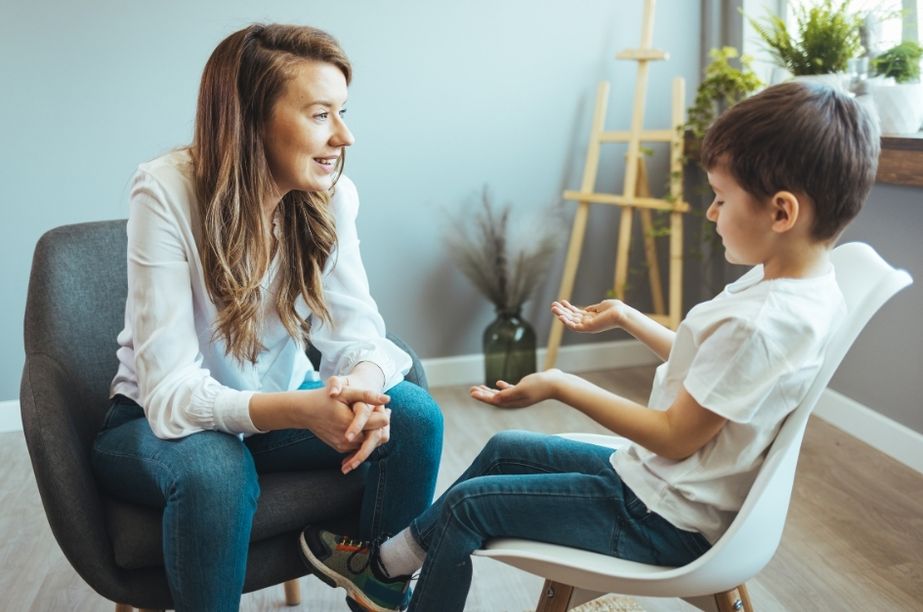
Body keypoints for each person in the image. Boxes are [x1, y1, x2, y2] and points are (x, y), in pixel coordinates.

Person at [298, 80, 880, 611]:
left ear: (781, 211)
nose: (711, 211)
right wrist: (628, 318)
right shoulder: (796, 284)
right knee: (504, 449)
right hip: (656, 486)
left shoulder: (765, 319)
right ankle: (388, 570)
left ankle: (387, 574)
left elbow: (676, 437)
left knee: (472, 506)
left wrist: (563, 385)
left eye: (722, 199)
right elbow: (712, 365)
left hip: (662, 518)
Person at [90, 24, 443, 612]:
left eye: (343, 112)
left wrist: (359, 389)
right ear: (250, 118)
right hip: (153, 425)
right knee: (214, 468)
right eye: (320, 114)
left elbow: (361, 337)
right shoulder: (167, 190)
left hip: (275, 414)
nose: (345, 135)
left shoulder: (330, 196)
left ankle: (377, 589)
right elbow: (170, 394)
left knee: (413, 415)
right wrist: (300, 409)